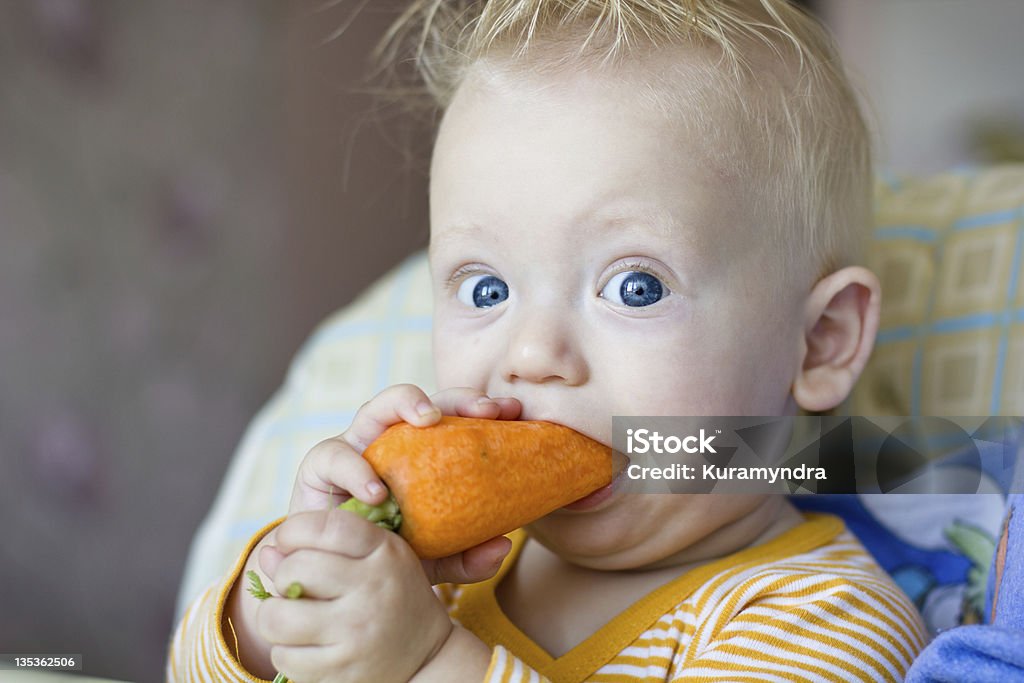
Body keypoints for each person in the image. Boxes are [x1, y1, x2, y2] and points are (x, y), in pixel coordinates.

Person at [168, 0, 930, 680]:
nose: (532, 354)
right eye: (486, 289)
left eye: (636, 286)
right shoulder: (440, 575)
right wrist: (293, 595)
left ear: (820, 342)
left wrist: (429, 660)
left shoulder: (829, 620)